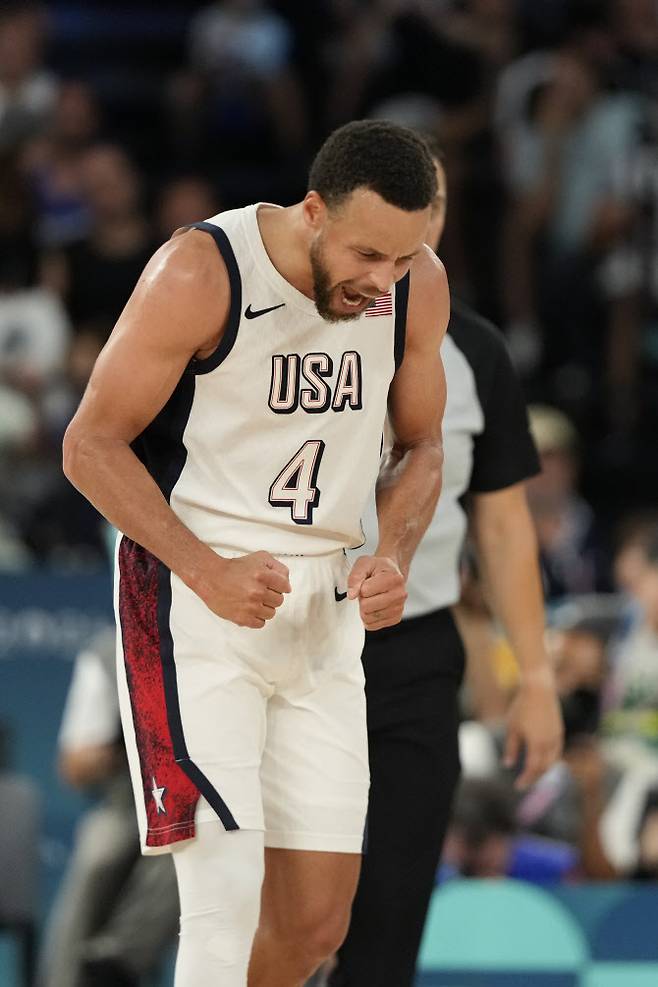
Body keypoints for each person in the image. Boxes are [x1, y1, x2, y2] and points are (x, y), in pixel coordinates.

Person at [62, 120, 449, 986]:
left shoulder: (415, 284)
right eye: (367, 255)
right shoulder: (202, 269)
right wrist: (205, 568)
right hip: (194, 592)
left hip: (323, 606)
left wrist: (397, 551)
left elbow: (422, 446)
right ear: (313, 211)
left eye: (403, 257)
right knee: (224, 901)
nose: (382, 280)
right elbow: (89, 444)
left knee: (315, 924)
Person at [329, 149, 563, 987]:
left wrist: (534, 676)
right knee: (282, 912)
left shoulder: (476, 352)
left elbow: (501, 529)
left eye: (429, 206)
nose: (415, 227)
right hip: (294, 640)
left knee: (390, 908)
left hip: (415, 655)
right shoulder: (278, 323)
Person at [38, 626, 179, 987]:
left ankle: (114, 963)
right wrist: (128, 743)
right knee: (99, 853)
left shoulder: (221, 632)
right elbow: (74, 766)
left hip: (195, 799)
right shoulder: (108, 649)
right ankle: (65, 978)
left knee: (184, 849)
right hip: (126, 798)